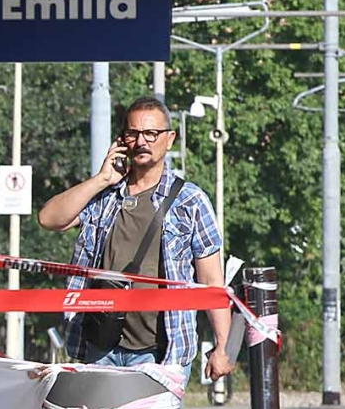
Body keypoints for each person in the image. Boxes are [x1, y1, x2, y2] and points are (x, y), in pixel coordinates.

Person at [37, 96, 233, 380]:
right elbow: (49, 219)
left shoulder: (190, 201)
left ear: (169, 139)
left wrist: (222, 346)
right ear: (122, 140)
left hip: (162, 351)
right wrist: (102, 179)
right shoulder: (103, 197)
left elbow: (212, 282)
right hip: (101, 345)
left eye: (151, 133)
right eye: (133, 133)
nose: (142, 141)